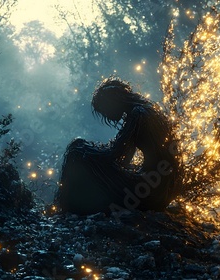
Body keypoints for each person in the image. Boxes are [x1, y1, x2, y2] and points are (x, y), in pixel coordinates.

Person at [55, 78, 182, 215]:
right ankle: (73, 207)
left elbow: (114, 154)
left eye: (104, 108)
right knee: (81, 152)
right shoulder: (145, 110)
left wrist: (84, 148)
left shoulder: (138, 114)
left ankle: (66, 209)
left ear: (113, 101)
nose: (105, 115)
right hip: (160, 189)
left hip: (151, 191)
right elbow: (124, 159)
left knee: (76, 150)